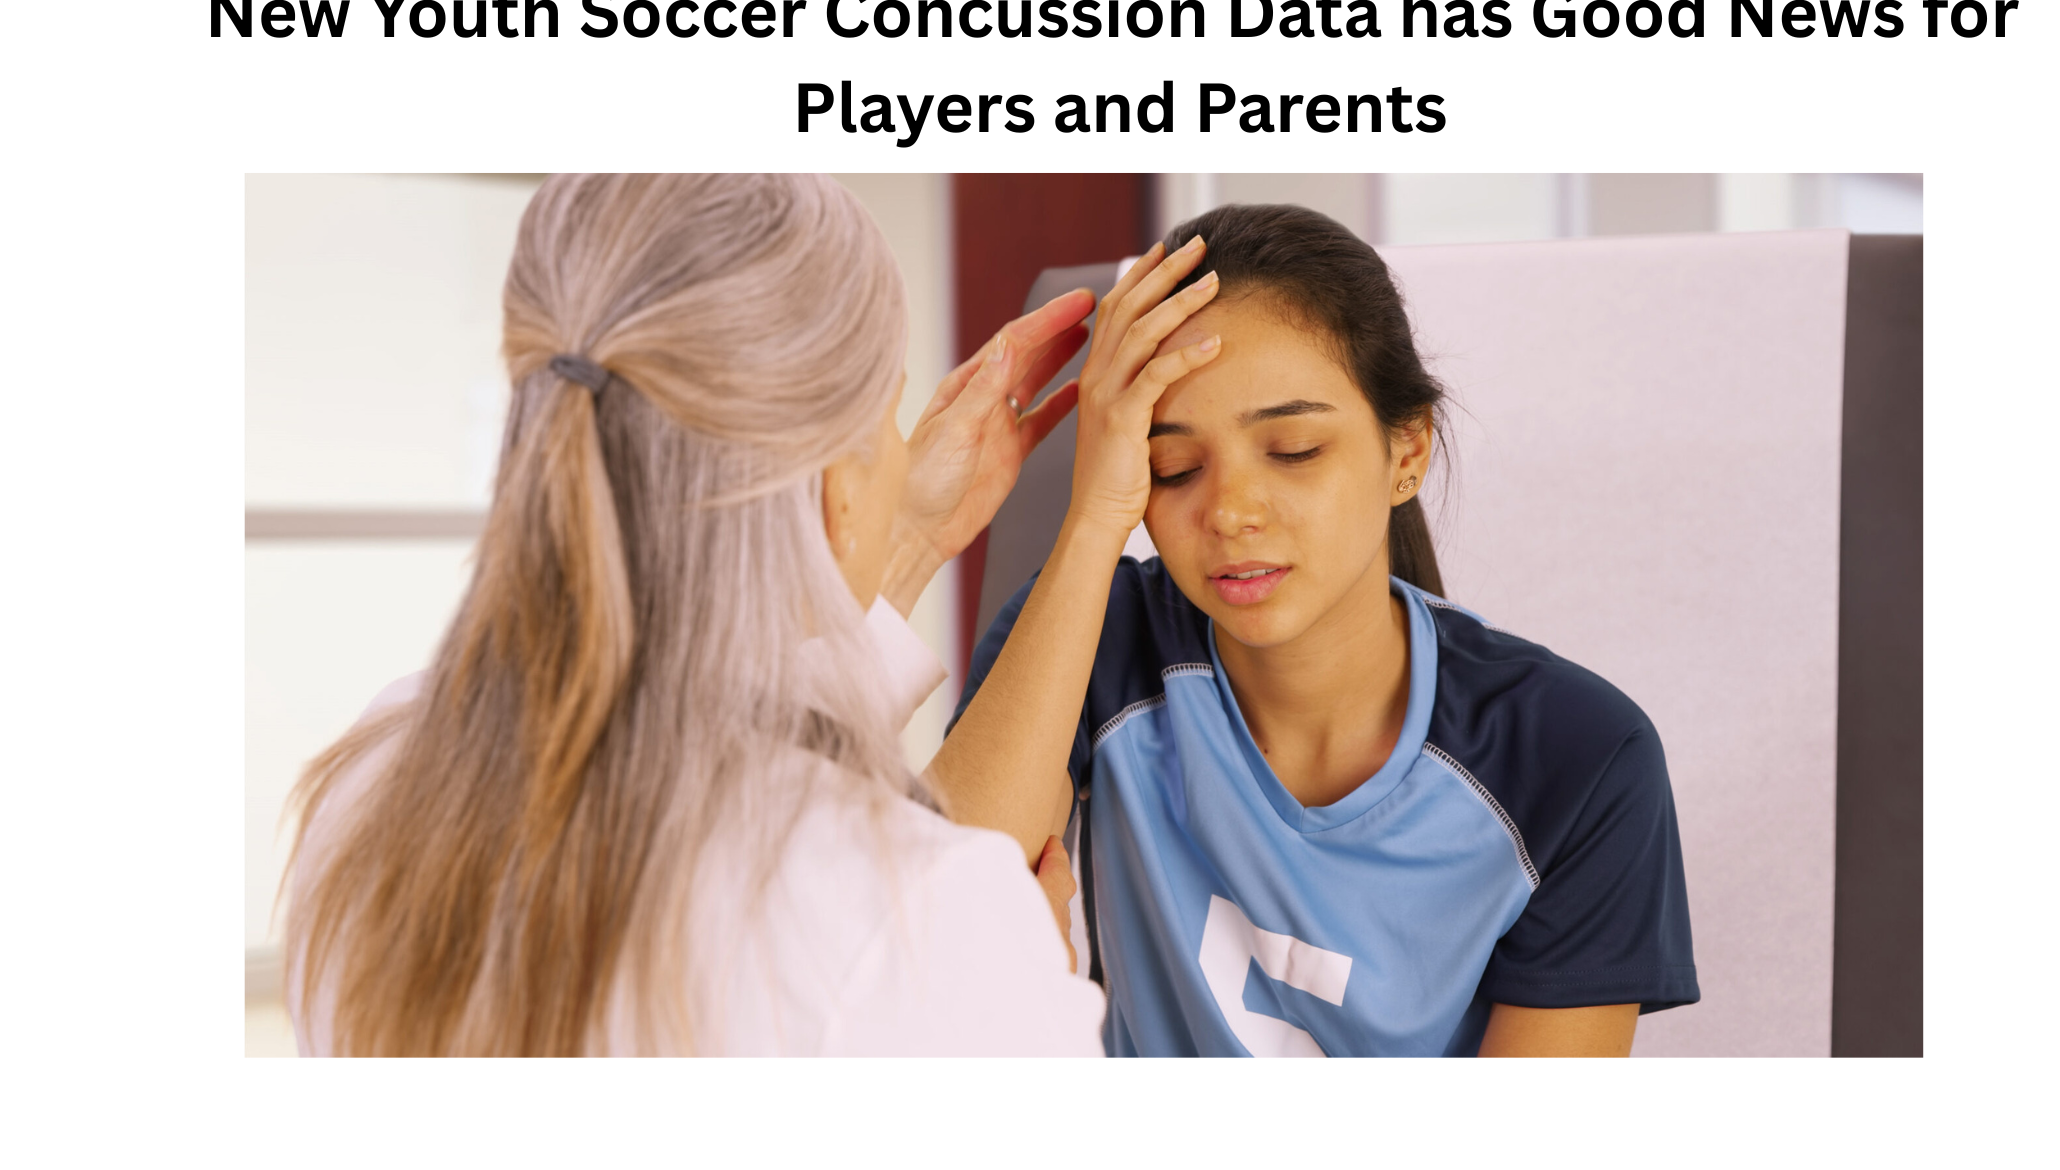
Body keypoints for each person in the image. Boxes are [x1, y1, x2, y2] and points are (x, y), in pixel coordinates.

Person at [284, 174, 1106, 1055]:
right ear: (837, 486)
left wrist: (900, 541)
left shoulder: (373, 783)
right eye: (888, 421)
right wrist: (1028, 994)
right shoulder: (921, 921)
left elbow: (715, 720)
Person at [929, 203, 1699, 1057]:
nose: (1230, 512)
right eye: (1171, 466)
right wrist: (1094, 518)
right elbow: (924, 939)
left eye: (1293, 450)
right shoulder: (1093, 639)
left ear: (1406, 451)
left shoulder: (1578, 756)